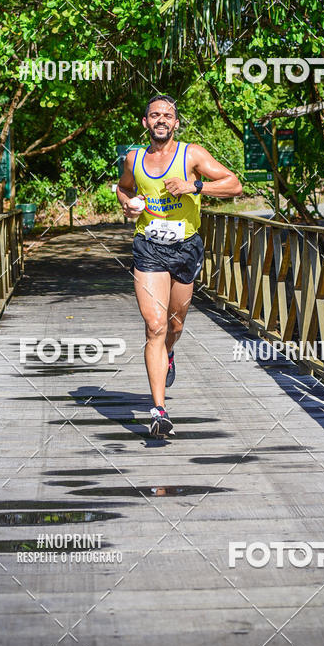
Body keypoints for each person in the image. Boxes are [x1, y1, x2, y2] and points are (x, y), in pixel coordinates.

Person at [116, 95, 243, 437]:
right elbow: (123, 188)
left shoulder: (192, 155)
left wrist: (194, 185)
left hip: (185, 248)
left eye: (167, 115)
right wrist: (128, 205)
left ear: (175, 123)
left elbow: (234, 185)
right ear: (145, 122)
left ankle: (168, 354)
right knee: (155, 326)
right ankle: (159, 411)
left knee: (174, 325)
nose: (161, 119)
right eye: (154, 114)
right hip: (148, 248)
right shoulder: (134, 158)